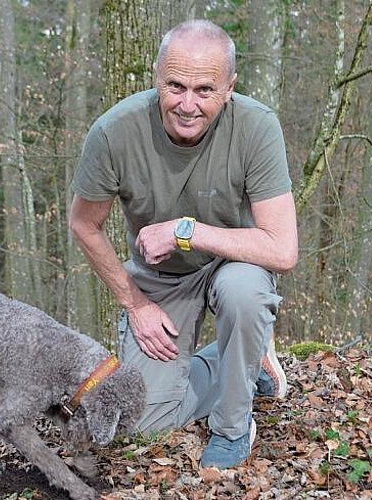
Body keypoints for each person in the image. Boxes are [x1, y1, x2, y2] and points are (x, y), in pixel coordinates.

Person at [68, 19, 298, 469]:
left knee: (244, 291)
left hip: (233, 261)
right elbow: (83, 224)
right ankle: (245, 364)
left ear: (229, 87)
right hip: (160, 280)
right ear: (156, 77)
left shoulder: (257, 127)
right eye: (175, 86)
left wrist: (184, 231)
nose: (187, 104)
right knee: (141, 423)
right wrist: (135, 304)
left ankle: (233, 429)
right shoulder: (115, 131)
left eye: (205, 90)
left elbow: (282, 249)